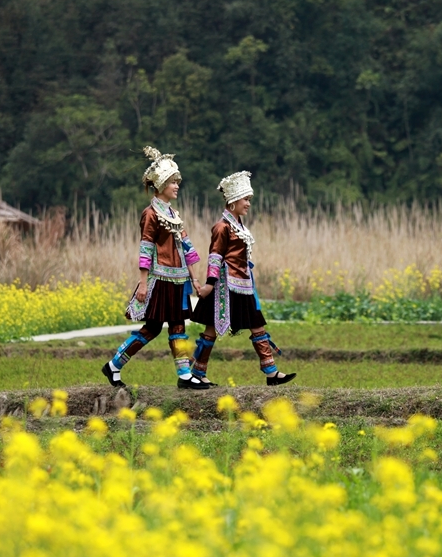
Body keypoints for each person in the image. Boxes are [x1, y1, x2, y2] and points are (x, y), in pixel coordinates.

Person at [101, 146, 209, 390]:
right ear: (161, 185)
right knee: (152, 328)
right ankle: (115, 364)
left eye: (177, 182)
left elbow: (186, 247)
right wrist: (142, 282)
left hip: (179, 280)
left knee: (178, 326)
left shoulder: (173, 214)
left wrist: (194, 279)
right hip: (159, 279)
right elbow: (146, 248)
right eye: (173, 182)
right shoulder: (150, 214)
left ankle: (184, 374)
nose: (177, 186)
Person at [190, 171, 296, 386]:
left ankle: (271, 372)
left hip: (244, 284)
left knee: (257, 326)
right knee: (211, 329)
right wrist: (210, 285)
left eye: (249, 200)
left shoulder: (239, 226)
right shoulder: (222, 227)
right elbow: (215, 257)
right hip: (224, 286)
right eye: (246, 199)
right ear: (233, 202)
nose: (248, 204)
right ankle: (198, 373)